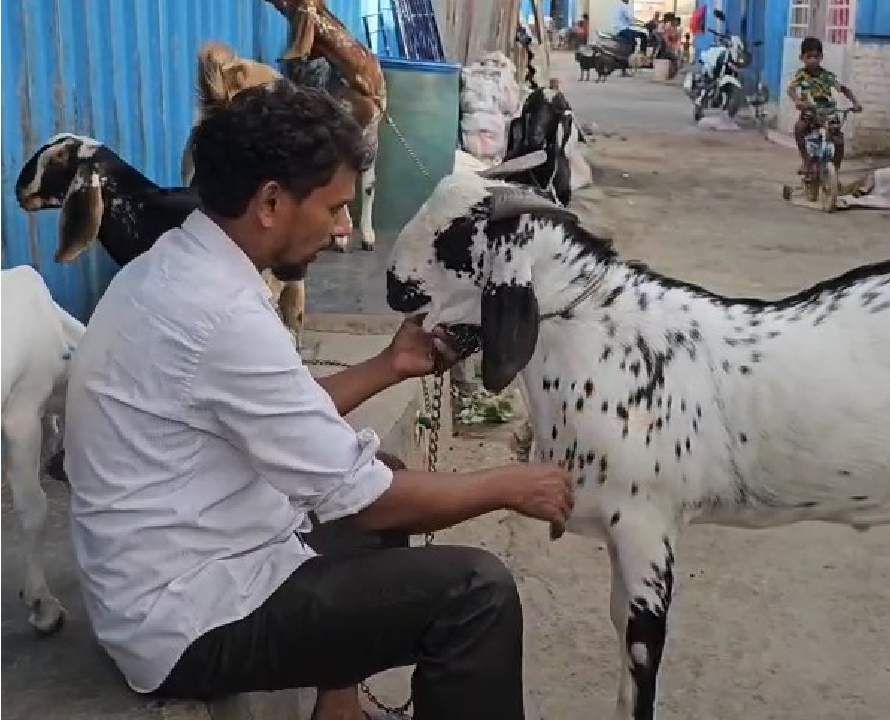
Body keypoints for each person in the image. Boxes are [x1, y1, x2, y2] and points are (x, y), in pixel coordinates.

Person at [64, 81, 574, 720]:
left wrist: (391, 366)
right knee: (477, 593)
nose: (341, 231)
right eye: (334, 208)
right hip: (186, 620)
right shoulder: (216, 312)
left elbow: (288, 415)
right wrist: (509, 487)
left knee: (377, 478)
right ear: (271, 202)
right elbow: (359, 496)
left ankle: (337, 704)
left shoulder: (185, 263)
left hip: (188, 562)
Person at [787, 37, 861, 173]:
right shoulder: (801, 75)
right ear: (801, 57)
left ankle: (835, 170)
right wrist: (797, 100)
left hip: (829, 114)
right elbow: (791, 89)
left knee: (839, 141)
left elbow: (844, 89)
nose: (813, 60)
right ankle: (806, 161)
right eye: (809, 57)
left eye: (816, 56)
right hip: (810, 113)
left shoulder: (828, 76)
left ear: (821, 57)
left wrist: (855, 103)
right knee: (799, 129)